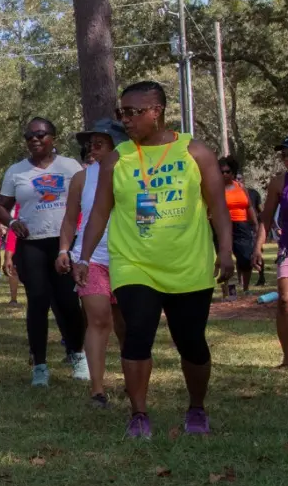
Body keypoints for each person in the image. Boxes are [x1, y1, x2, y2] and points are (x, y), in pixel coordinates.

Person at [76, 81, 233, 438]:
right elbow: (100, 213)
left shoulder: (195, 152)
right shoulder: (117, 159)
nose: (125, 120)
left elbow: (218, 208)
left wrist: (225, 250)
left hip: (187, 262)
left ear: (156, 111)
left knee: (191, 340)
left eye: (132, 112)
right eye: (122, 113)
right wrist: (83, 257)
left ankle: (196, 407)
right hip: (135, 262)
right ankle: (139, 414)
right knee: (137, 335)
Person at [0, 117, 87, 387]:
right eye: (29, 136)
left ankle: (78, 355)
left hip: (64, 244)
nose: (34, 140)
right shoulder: (16, 171)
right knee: (37, 301)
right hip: (32, 243)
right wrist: (12, 222)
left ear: (53, 138)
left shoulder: (70, 166)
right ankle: (40, 366)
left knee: (69, 303)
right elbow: (2, 206)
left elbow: (89, 198)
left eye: (41, 134)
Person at [57, 118, 129, 408]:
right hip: (92, 259)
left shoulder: (134, 172)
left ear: (118, 143)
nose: (93, 147)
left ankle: (131, 378)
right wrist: (65, 250)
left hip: (128, 258)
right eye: (91, 142)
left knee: (126, 325)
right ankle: (97, 390)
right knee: (98, 320)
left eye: (101, 141)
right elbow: (70, 218)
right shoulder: (82, 178)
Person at [255, 134, 288, 369]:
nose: (287, 159)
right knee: (285, 301)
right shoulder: (279, 182)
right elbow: (266, 219)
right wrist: (258, 246)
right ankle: (287, 358)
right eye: (284, 155)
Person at [220, 157, 260, 299]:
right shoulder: (216, 189)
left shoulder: (240, 187)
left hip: (242, 225)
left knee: (245, 257)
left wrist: (255, 224)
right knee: (226, 259)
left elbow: (249, 206)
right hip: (224, 226)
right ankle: (229, 293)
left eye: (227, 171)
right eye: (221, 172)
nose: (224, 174)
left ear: (233, 172)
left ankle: (246, 288)